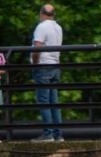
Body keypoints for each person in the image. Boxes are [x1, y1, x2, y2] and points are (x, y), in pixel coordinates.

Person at [31, 4, 63, 142]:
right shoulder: (58, 27)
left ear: (41, 14)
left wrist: (35, 63)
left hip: (43, 66)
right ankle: (58, 134)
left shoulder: (42, 26)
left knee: (44, 101)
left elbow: (37, 46)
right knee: (54, 102)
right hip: (55, 66)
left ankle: (48, 134)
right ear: (53, 14)